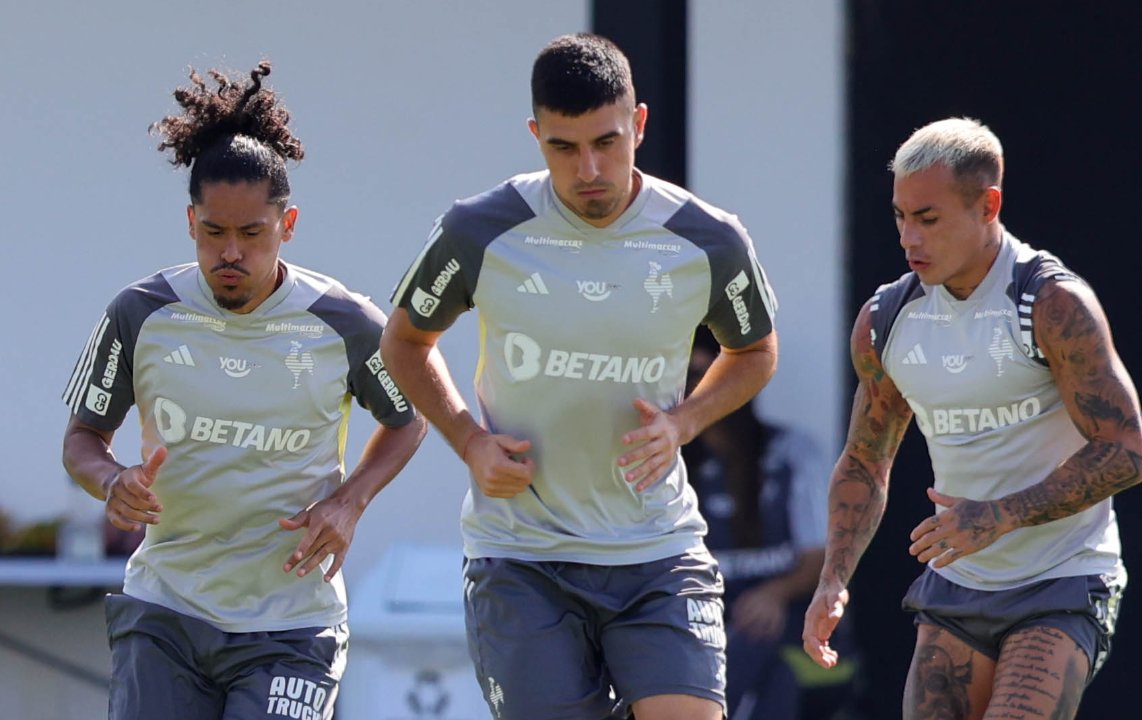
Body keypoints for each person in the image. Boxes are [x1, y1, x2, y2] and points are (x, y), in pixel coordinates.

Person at [380, 32, 778, 720]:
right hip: (523, 556)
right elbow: (405, 341)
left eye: (607, 141)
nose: (589, 168)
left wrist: (685, 420)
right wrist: (469, 441)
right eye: (563, 147)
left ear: (640, 125)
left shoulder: (708, 238)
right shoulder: (481, 229)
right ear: (535, 135)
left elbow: (755, 352)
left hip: (657, 547)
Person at [60, 61, 426, 720]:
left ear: (288, 225)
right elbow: (82, 441)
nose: (231, 252)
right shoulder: (138, 312)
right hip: (164, 613)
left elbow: (410, 419)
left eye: (251, 234)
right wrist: (113, 482)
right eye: (214, 232)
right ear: (190, 221)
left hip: (291, 625)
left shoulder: (345, 322)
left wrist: (349, 502)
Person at [802, 117, 1142, 719]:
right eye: (900, 217)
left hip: (1063, 581)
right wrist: (833, 580)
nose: (909, 238)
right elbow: (865, 458)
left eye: (928, 219)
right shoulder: (887, 318)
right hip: (959, 585)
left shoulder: (1049, 303)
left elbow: (1126, 451)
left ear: (989, 204)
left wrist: (999, 516)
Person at [684, 329, 861, 720]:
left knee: (764, 649)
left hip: (780, 621)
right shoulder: (666, 463)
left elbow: (821, 555)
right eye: (691, 379)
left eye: (712, 376)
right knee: (761, 666)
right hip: (701, 622)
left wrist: (775, 594)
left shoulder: (792, 452)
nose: (701, 392)